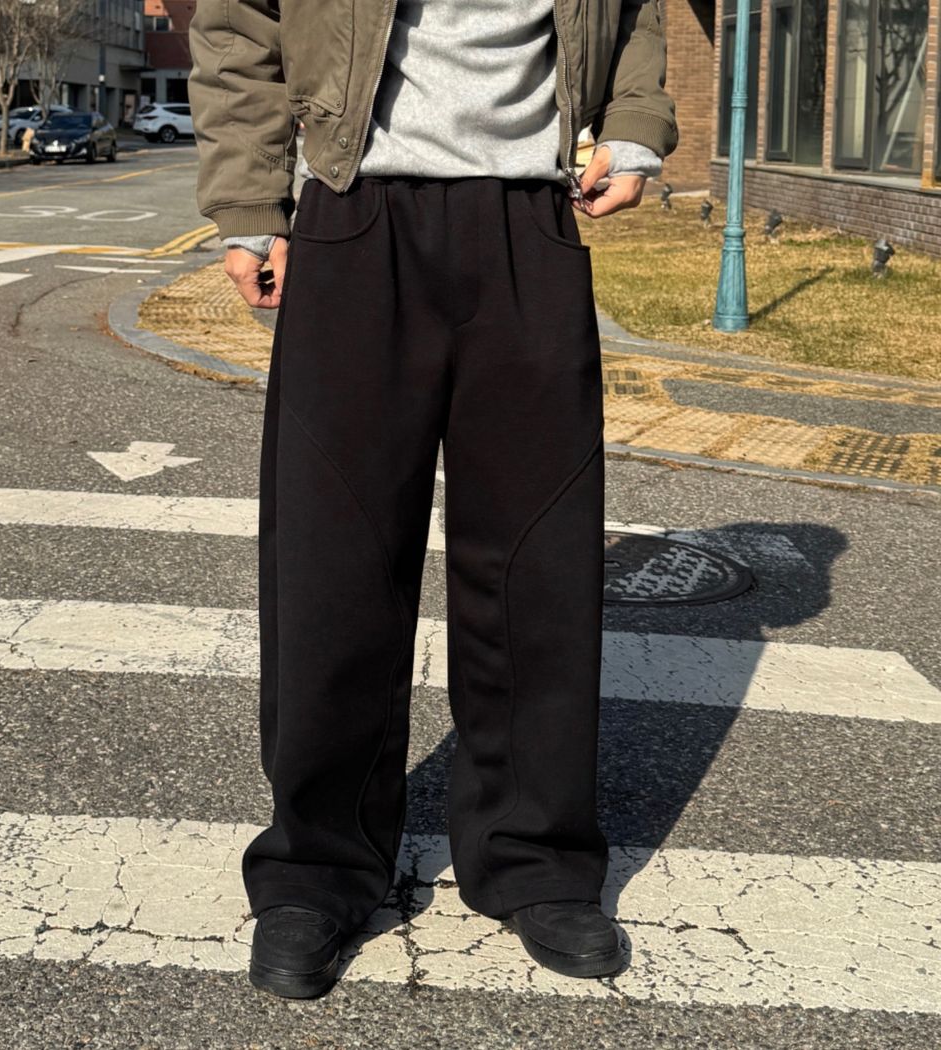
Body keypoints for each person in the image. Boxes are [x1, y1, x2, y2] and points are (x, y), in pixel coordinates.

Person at [189, 0, 677, 1000]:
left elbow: (633, 13)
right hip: (355, 208)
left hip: (528, 216)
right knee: (334, 557)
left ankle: (533, 855)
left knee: (537, 559)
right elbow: (239, 24)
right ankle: (317, 865)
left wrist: (634, 126)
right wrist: (247, 203)